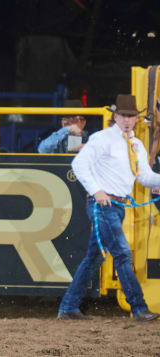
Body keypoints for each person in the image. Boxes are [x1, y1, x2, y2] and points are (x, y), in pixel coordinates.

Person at [57, 94, 159, 321]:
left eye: (131, 116)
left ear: (136, 119)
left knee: (93, 257)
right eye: (123, 115)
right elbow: (79, 164)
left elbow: (144, 176)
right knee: (122, 254)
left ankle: (68, 307)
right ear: (115, 116)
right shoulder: (102, 138)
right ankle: (139, 308)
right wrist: (96, 190)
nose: (127, 120)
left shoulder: (135, 144)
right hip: (103, 204)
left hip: (114, 205)